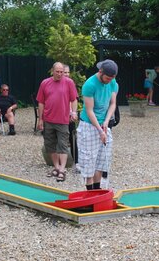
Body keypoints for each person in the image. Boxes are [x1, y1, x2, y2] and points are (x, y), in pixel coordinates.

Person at [77, 60, 118, 190]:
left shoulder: (112, 82)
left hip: (103, 123)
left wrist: (106, 122)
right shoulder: (89, 85)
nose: (109, 81)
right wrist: (100, 131)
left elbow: (112, 104)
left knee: (102, 157)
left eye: (112, 78)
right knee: (89, 158)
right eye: (107, 78)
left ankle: (97, 188)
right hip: (89, 124)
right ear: (101, 72)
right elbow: (89, 111)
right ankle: (89, 191)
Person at [37, 62, 79, 182]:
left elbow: (74, 99)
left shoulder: (69, 82)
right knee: (50, 145)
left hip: (63, 120)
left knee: (63, 145)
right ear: (53, 71)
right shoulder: (45, 83)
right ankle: (56, 167)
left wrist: (74, 112)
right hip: (48, 119)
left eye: (62, 72)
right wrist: (40, 119)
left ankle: (62, 169)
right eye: (58, 72)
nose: (60, 74)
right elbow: (41, 102)